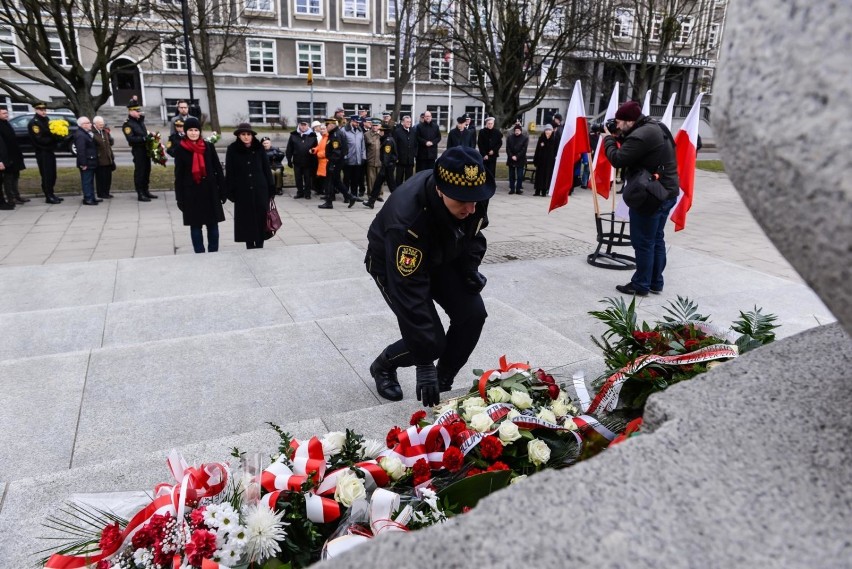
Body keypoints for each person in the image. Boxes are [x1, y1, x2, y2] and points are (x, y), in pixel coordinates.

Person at [364, 146, 495, 406]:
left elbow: (473, 232)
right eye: (461, 201)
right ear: (440, 189)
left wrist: (469, 267)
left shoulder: (471, 192)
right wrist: (424, 361)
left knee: (472, 315)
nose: (470, 208)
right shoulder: (406, 219)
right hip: (395, 265)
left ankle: (443, 379)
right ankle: (383, 365)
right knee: (430, 339)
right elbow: (409, 290)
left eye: (475, 200)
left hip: (441, 255)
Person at [603, 100, 679, 297]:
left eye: (619, 122)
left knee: (643, 241)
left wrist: (608, 139)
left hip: (651, 196)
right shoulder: (655, 127)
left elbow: (618, 159)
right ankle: (655, 282)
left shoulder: (641, 135)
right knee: (656, 238)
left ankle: (641, 284)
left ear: (630, 121)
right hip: (667, 192)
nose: (617, 125)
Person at [174, 116, 226, 254]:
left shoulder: (208, 146)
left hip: (210, 191)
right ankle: (199, 253)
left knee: (213, 225)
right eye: (190, 130)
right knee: (195, 226)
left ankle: (213, 252)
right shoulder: (180, 149)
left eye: (196, 130)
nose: (193, 133)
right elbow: (178, 175)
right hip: (191, 193)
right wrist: (179, 198)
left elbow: (217, 169)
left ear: (200, 131)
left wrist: (222, 190)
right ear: (186, 132)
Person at [225, 123, 276, 249]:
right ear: (238, 136)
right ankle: (249, 246)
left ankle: (260, 244)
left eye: (248, 134)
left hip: (260, 189)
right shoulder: (232, 149)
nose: (246, 137)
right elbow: (230, 171)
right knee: (246, 220)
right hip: (242, 190)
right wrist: (230, 191)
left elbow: (266, 169)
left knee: (261, 218)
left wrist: (271, 187)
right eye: (243, 134)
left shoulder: (259, 148)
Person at [318, 117, 358, 209]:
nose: (326, 127)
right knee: (336, 181)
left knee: (329, 181)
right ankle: (350, 197)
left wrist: (332, 164)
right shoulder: (335, 133)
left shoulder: (335, 135)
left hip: (334, 162)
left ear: (332, 125)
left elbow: (337, 151)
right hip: (337, 162)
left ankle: (329, 202)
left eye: (327, 125)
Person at [123, 97, 157, 202]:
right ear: (131, 111)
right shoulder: (127, 125)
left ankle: (146, 190)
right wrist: (144, 138)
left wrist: (150, 135)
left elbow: (144, 132)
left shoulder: (140, 121)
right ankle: (140, 193)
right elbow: (131, 139)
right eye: (137, 111)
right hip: (138, 151)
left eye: (139, 110)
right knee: (140, 172)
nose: (139, 112)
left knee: (147, 170)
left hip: (146, 149)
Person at [28, 102, 62, 204]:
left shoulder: (46, 120)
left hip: (49, 151)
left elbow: (50, 132)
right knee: (47, 175)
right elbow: (40, 139)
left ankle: (52, 193)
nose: (43, 111)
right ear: (36, 110)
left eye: (44, 110)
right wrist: (54, 138)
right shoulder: (35, 123)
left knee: (52, 174)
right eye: (41, 110)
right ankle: (48, 196)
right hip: (42, 151)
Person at [362, 123, 397, 209]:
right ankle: (371, 202)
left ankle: (399, 201)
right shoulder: (387, 139)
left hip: (387, 167)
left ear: (385, 131)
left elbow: (386, 156)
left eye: (381, 130)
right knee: (377, 184)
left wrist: (384, 167)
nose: (379, 131)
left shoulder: (388, 141)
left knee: (392, 186)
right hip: (386, 166)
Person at [0, 106, 28, 207]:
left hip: (14, 156)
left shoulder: (7, 124)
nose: (6, 115)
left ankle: (17, 196)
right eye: (4, 113)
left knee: (15, 177)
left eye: (6, 113)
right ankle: (11, 198)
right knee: (8, 179)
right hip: (7, 157)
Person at [285, 119, 317, 199]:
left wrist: (315, 161)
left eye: (305, 125)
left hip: (308, 161)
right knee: (298, 178)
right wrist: (289, 159)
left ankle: (307, 193)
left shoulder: (312, 135)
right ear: (299, 125)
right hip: (297, 161)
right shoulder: (293, 135)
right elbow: (289, 149)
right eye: (301, 125)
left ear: (308, 126)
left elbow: (316, 149)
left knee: (307, 178)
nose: (303, 127)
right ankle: (300, 192)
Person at [74, 116, 99, 205]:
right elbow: (81, 151)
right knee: (87, 181)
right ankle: (88, 198)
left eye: (89, 122)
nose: (90, 124)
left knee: (90, 180)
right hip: (86, 162)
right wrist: (83, 163)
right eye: (88, 123)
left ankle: (92, 196)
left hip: (91, 161)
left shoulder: (85, 133)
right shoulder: (80, 135)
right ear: (82, 125)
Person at [342, 115, 366, 197]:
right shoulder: (344, 130)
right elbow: (342, 146)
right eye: (356, 122)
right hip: (348, 159)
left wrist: (363, 157)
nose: (357, 124)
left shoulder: (360, 131)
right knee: (346, 179)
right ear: (351, 121)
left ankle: (354, 195)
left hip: (358, 160)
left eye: (359, 122)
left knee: (355, 179)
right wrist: (344, 157)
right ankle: (346, 196)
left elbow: (363, 146)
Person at [92, 116, 115, 200]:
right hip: (99, 159)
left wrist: (109, 134)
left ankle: (106, 192)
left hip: (108, 158)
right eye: (100, 124)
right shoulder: (92, 133)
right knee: (101, 178)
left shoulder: (104, 131)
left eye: (102, 124)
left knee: (108, 177)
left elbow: (110, 143)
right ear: (95, 124)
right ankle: (101, 193)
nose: (102, 125)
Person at [533, 124, 558, 197]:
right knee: (539, 176)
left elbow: (556, 150)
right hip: (541, 161)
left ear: (552, 131)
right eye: (546, 130)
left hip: (549, 161)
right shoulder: (541, 138)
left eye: (549, 130)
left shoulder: (554, 139)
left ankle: (544, 190)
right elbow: (537, 149)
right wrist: (536, 159)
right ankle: (537, 190)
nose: (548, 131)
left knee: (546, 176)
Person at [506, 124, 529, 195]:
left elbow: (524, 149)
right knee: (511, 175)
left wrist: (517, 156)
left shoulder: (524, 138)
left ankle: (518, 189)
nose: (517, 132)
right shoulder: (510, 138)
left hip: (520, 159)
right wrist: (512, 156)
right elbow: (508, 148)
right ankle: (512, 189)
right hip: (511, 159)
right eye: (516, 130)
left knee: (520, 175)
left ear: (521, 131)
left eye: (518, 130)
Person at [477, 116, 502, 181]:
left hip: (493, 155)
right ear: (486, 124)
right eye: (489, 123)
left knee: (492, 170)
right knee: (484, 170)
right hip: (484, 155)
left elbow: (499, 143)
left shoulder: (497, 132)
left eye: (491, 123)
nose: (490, 125)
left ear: (493, 124)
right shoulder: (482, 132)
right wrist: (484, 154)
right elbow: (480, 144)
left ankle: (491, 183)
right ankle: (484, 183)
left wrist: (494, 150)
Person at [393, 115, 416, 186]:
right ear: (402, 122)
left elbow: (416, 144)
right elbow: (394, 145)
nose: (409, 123)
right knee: (399, 178)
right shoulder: (397, 132)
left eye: (410, 122)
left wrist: (414, 154)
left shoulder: (413, 131)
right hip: (400, 160)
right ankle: (397, 193)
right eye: (407, 122)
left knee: (409, 179)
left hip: (410, 160)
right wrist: (396, 157)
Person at [364, 119, 383, 200]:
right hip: (371, 158)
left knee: (380, 178)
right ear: (371, 125)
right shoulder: (366, 134)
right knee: (371, 179)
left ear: (379, 126)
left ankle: (379, 194)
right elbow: (364, 147)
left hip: (380, 159)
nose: (375, 127)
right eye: (374, 125)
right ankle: (371, 195)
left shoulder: (382, 134)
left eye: (377, 125)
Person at [311, 123, 329, 198]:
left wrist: (318, 154)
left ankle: (328, 194)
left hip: (326, 161)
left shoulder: (328, 138)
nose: (322, 130)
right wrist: (313, 150)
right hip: (321, 162)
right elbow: (319, 147)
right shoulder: (323, 137)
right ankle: (326, 193)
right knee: (323, 178)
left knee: (327, 179)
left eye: (323, 129)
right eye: (321, 129)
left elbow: (328, 151)